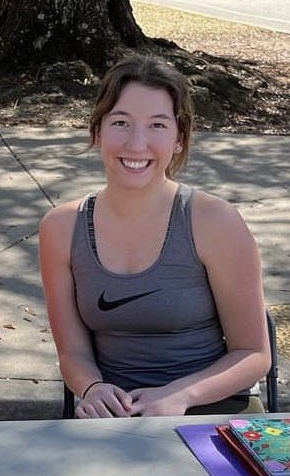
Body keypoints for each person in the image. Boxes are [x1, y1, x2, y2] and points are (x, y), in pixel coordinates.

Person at [39, 55, 270, 433]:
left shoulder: (216, 221)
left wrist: (181, 395)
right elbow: (73, 352)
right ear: (97, 132)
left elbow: (254, 354)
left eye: (157, 125)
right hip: (115, 415)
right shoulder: (61, 228)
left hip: (214, 408)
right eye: (120, 122)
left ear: (179, 139)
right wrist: (93, 388)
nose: (137, 143)